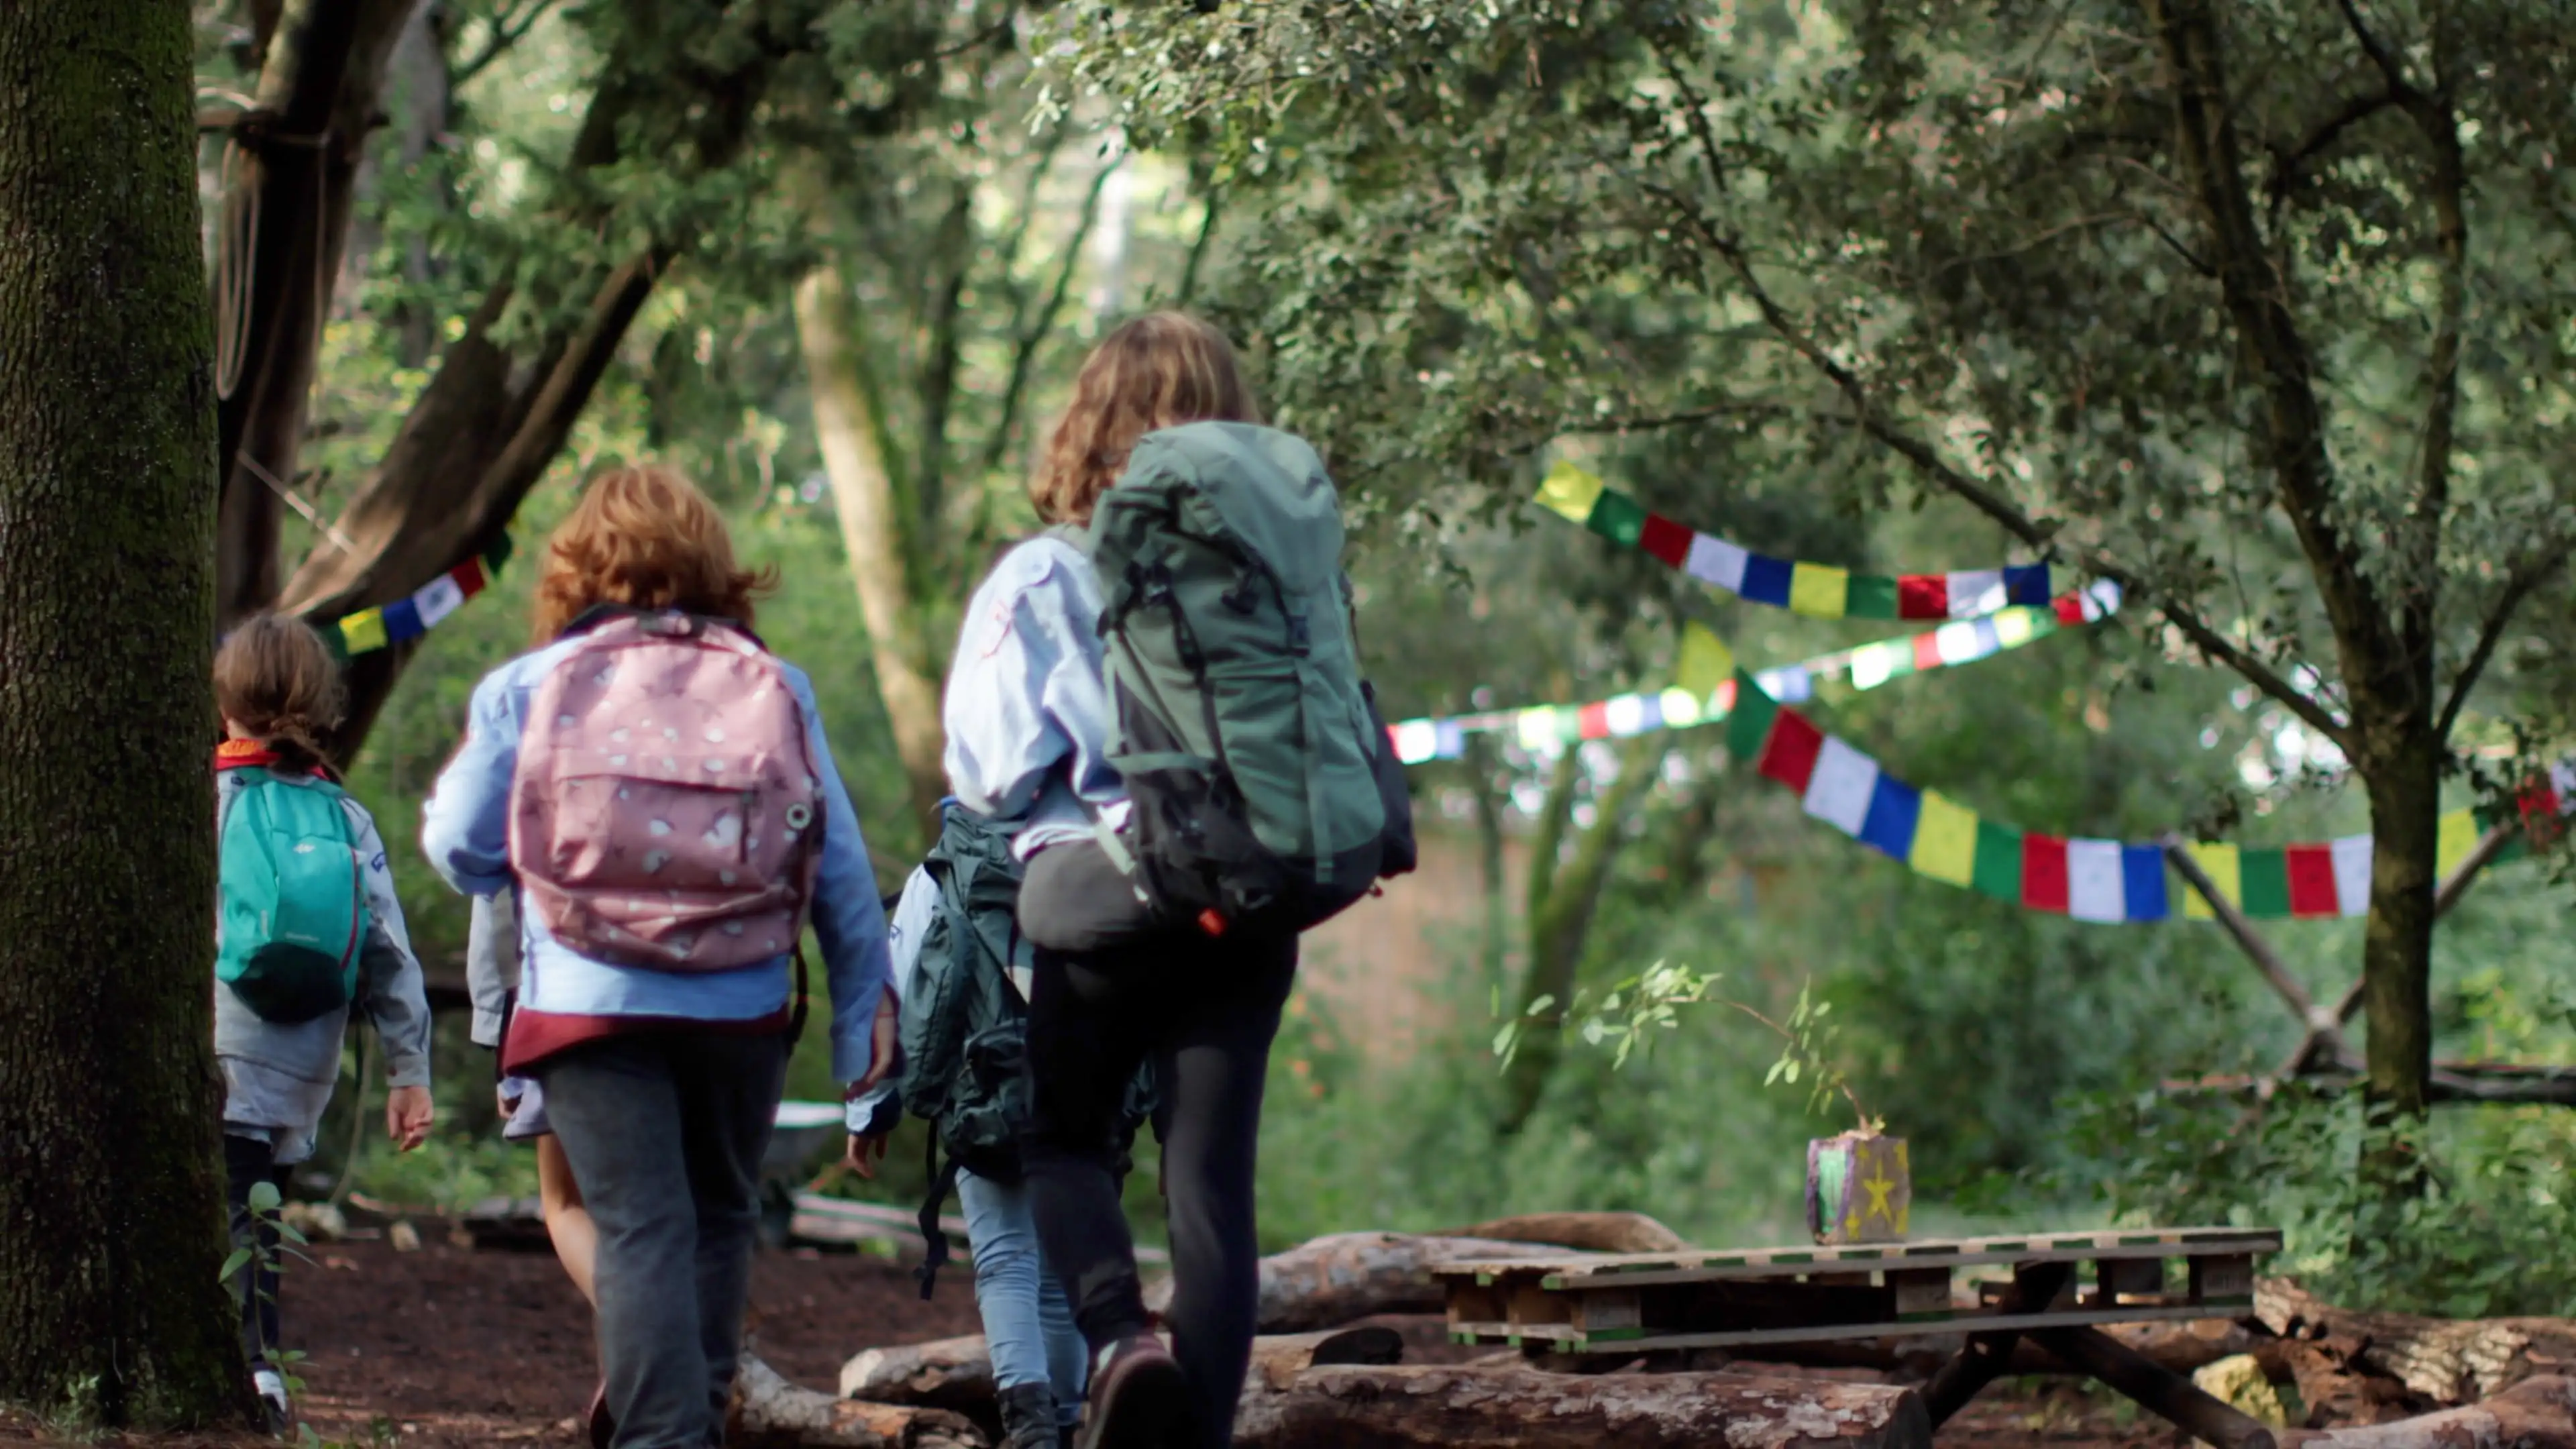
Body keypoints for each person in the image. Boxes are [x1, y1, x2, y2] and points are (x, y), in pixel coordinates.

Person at [945, 312, 1408, 1449]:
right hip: (1256, 898)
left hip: (1107, 899)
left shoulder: (1048, 571)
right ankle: (1191, 1434)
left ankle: (1117, 1341)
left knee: (1064, 1139)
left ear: (1087, 420)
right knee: (1212, 1194)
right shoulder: (1285, 586)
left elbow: (992, 770)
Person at [422, 464, 896, 1449]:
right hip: (744, 1005)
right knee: (721, 1215)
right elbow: (840, 868)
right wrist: (861, 1022)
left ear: (573, 566)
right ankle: (696, 1425)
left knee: (639, 1227)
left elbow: (458, 847)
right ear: (713, 565)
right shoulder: (775, 683)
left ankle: (662, 1439)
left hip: (593, 1004)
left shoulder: (531, 684)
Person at [213, 612, 435, 1434]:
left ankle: (258, 1371)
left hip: (223, 1044)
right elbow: (390, 954)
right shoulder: (344, 818)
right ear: (314, 703)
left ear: (225, 702)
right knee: (260, 1209)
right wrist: (410, 1073)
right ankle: (260, 1363)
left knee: (236, 1212)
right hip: (305, 1058)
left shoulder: (211, 798)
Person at [847, 838, 1089, 1449]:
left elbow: (895, 984)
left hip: (986, 1093)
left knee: (1007, 1261)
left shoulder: (951, 860)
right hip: (1091, 1088)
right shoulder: (1103, 830)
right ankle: (1066, 1427)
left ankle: (1031, 1435)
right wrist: (1168, 1118)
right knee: (1066, 1270)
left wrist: (870, 1106)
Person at [466, 891, 607, 1444]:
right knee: (661, 1208)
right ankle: (644, 1381)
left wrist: (502, 1041)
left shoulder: (529, 798)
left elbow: (495, 910)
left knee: (568, 1204)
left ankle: (642, 1338)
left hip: (562, 1003)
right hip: (705, 1010)